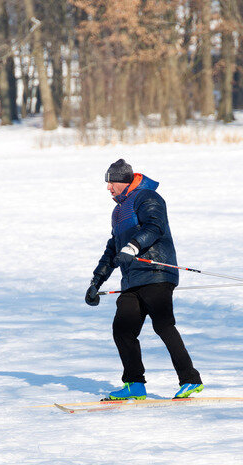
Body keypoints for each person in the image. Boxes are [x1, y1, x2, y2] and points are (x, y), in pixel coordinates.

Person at [85, 159, 203, 401]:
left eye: (111, 183)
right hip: (132, 280)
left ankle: (190, 380)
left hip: (156, 271)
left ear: (124, 181)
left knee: (163, 325)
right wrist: (96, 282)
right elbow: (112, 249)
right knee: (122, 329)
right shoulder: (118, 211)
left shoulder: (147, 197)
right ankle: (134, 384)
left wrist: (133, 247)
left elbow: (155, 226)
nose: (108, 188)